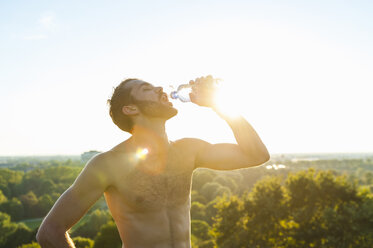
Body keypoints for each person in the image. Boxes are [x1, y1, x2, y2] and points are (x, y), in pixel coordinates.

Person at [36, 75, 270, 248]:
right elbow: (50, 231)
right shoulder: (107, 165)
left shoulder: (189, 150)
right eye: (147, 89)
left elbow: (256, 155)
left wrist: (219, 105)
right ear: (130, 108)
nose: (160, 88)